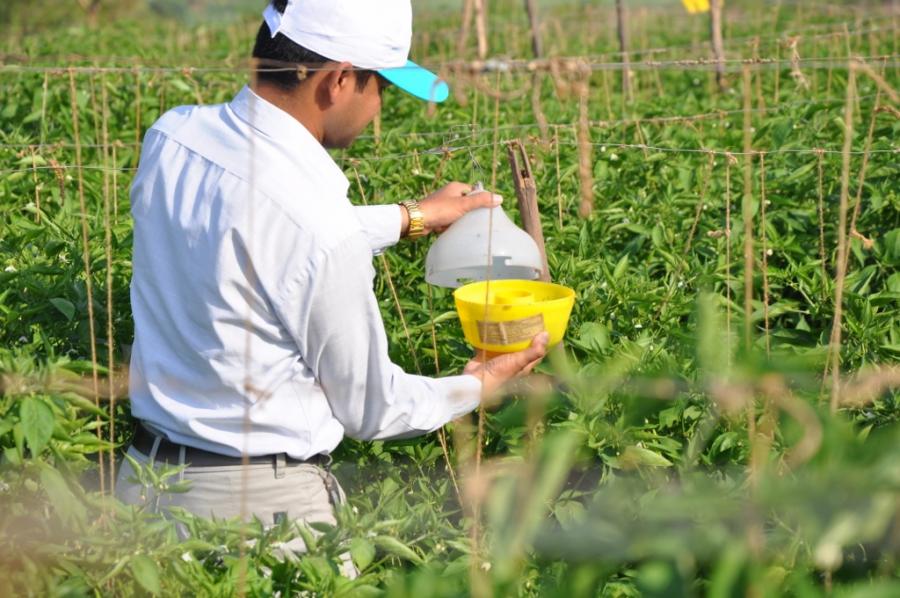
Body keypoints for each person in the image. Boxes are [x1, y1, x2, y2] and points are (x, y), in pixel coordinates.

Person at [116, 0, 548, 540]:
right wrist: (476, 384)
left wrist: (410, 217)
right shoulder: (318, 226)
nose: (379, 108)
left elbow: (254, 231)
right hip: (261, 517)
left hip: (143, 490)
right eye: (381, 87)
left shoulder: (173, 136)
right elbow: (373, 409)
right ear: (339, 80)